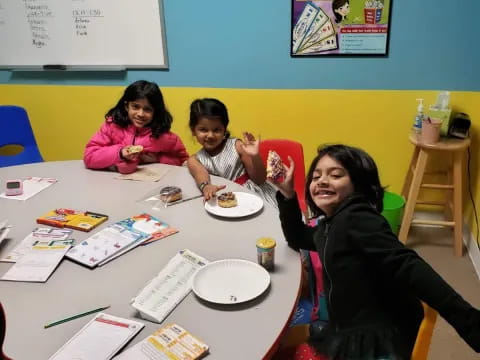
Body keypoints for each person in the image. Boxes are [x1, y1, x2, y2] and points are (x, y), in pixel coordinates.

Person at [273, 144, 480, 360]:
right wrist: (287, 193)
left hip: (374, 339)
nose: (322, 181)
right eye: (316, 177)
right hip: (346, 324)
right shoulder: (330, 225)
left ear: (358, 185)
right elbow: (298, 237)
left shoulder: (356, 218)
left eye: (336, 175)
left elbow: (407, 265)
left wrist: (469, 322)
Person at [186, 98, 277, 207]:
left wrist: (255, 156)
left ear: (224, 130)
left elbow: (260, 179)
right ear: (193, 130)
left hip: (252, 194)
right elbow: (200, 175)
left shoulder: (237, 146)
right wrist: (206, 187)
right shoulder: (195, 160)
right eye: (203, 130)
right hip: (223, 198)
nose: (210, 135)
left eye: (216, 130)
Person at [84, 80, 188, 174]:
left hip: (150, 186)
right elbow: (89, 157)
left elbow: (183, 162)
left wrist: (158, 159)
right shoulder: (111, 127)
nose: (140, 114)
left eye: (147, 109)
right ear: (126, 106)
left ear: (155, 112)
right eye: (135, 107)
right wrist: (120, 153)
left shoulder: (164, 136)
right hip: (113, 186)